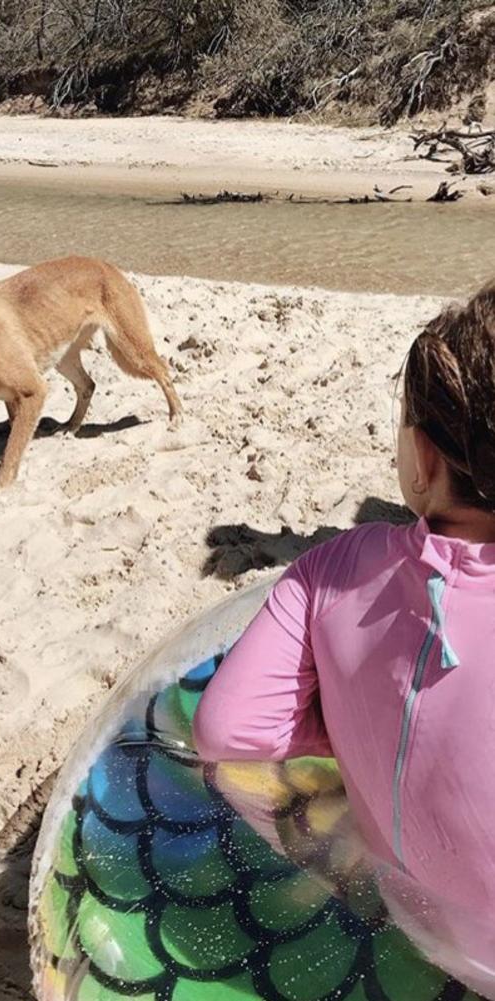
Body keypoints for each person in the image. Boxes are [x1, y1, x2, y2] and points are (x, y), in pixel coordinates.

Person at [193, 284, 495, 997]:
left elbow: (226, 727)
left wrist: (363, 724)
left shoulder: (332, 568)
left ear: (422, 460)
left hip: (426, 929)